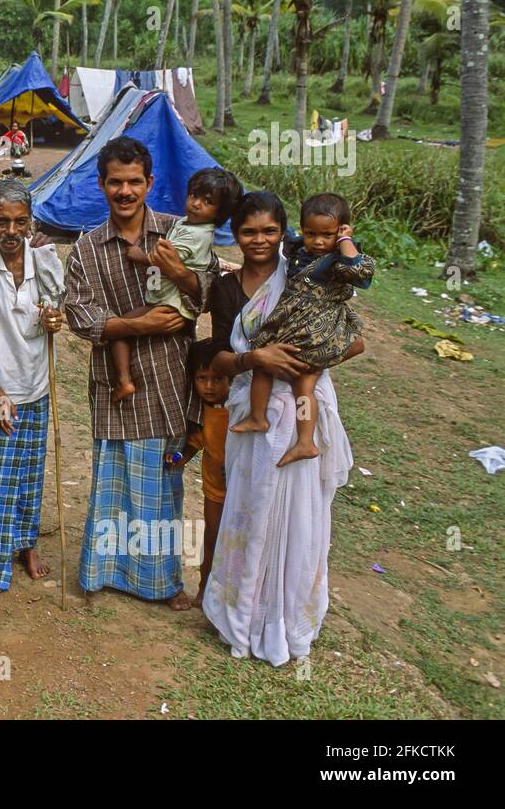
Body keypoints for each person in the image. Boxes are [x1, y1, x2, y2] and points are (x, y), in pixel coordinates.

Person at [202, 191, 356, 666]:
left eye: (270, 231)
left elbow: (354, 339)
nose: (259, 240)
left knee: (297, 515)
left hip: (303, 407)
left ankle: (287, 619)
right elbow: (218, 356)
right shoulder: (227, 290)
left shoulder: (310, 272)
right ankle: (241, 615)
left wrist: (307, 361)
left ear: (284, 233)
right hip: (254, 405)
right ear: (236, 234)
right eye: (249, 231)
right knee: (251, 510)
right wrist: (257, 358)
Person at [64, 137, 215, 611]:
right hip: (116, 384)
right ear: (102, 184)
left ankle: (160, 582)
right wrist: (137, 324)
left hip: (169, 380)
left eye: (134, 182)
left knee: (162, 486)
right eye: (115, 182)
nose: (125, 191)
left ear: (149, 183)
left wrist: (184, 275)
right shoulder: (86, 249)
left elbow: (205, 294)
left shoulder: (181, 232)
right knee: (113, 479)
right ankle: (103, 571)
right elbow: (80, 315)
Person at [0, 180, 65, 592]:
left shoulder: (44, 261)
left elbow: (54, 314)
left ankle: (26, 543)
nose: (11, 231)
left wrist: (53, 320)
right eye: (2, 222)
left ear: (29, 221)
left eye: (20, 222)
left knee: (29, 472)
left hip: (36, 382)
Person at [229, 192, 372, 466]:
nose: (318, 241)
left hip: (313, 332)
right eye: (311, 233)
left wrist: (345, 240)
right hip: (292, 325)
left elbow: (361, 272)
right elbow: (285, 236)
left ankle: (300, 439)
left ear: (341, 231)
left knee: (300, 383)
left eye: (327, 235)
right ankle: (268, 422)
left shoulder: (338, 261)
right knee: (271, 368)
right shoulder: (298, 249)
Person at [109, 167, 242, 402]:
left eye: (207, 201)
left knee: (119, 330)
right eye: (194, 195)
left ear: (219, 213)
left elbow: (163, 261)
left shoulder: (196, 235)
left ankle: (124, 381)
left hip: (169, 304)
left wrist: (140, 255)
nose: (196, 203)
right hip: (166, 298)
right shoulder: (187, 224)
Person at [165, 339, 230, 604]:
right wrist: (177, 457)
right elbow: (194, 445)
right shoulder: (204, 412)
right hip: (215, 490)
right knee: (211, 538)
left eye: (217, 379)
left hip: (240, 490)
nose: (209, 386)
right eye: (202, 379)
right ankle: (205, 591)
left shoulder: (239, 410)